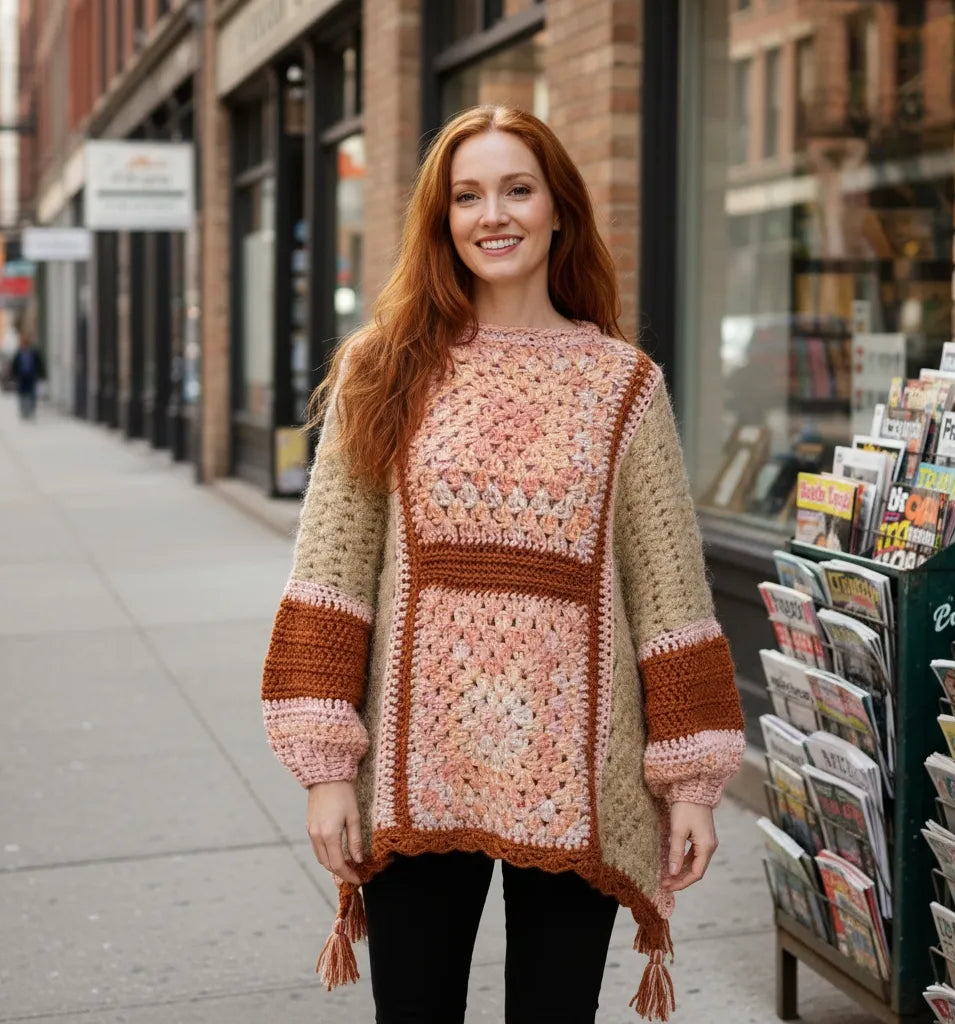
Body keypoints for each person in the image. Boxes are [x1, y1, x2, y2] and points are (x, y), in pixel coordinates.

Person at [261, 105, 745, 1023]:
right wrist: (327, 769)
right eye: (468, 196)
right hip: (415, 769)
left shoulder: (622, 383)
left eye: (518, 190)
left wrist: (692, 787)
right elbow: (331, 579)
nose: (495, 215)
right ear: (441, 220)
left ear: (559, 208)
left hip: (581, 775)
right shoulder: (383, 369)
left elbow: (670, 597)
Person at [10, 334, 44, 420]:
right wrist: (14, 375)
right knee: (22, 394)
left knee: (31, 394)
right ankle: (23, 411)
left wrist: (40, 374)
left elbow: (39, 364)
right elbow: (14, 365)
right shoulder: (19, 353)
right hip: (22, 376)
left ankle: (31, 410)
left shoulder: (34, 352)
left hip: (31, 376)